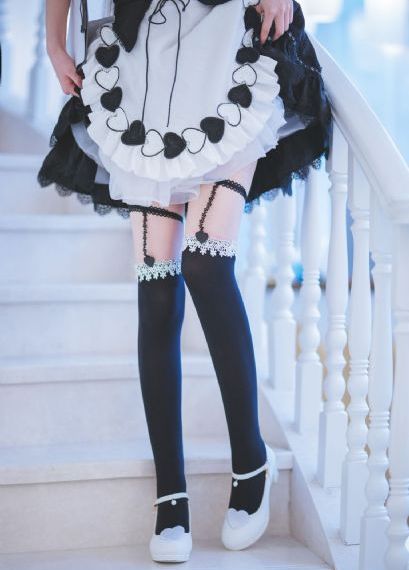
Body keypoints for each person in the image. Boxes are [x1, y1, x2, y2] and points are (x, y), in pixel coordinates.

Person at [39, 0, 332, 562]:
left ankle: (251, 460)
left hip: (228, 41)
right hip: (141, 60)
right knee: (155, 288)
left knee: (205, 262)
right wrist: (54, 42)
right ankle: (170, 495)